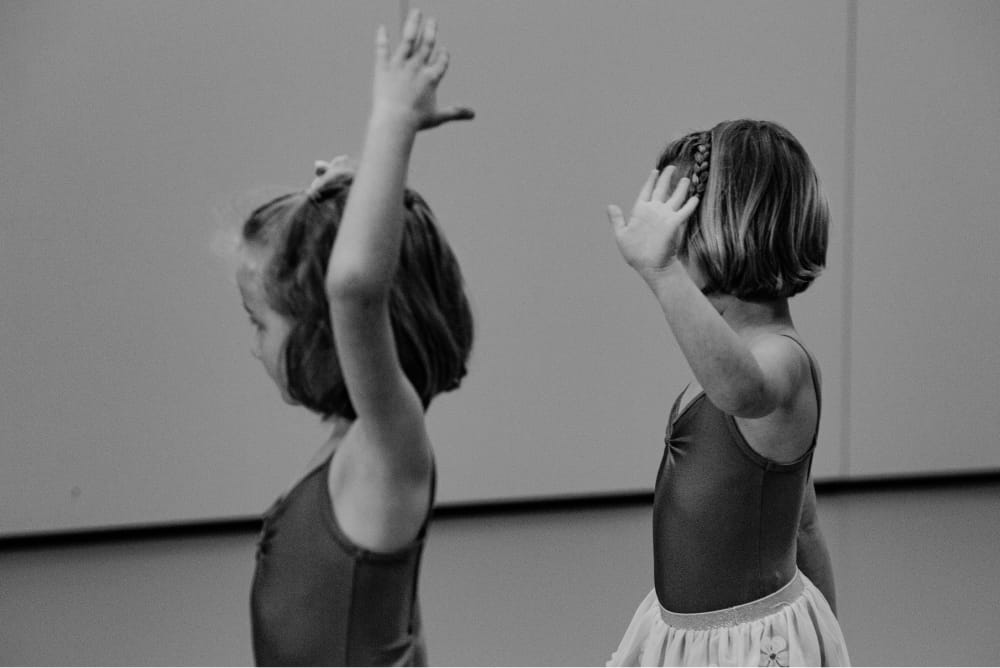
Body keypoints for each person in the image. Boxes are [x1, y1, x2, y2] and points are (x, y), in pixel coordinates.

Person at [238, 10, 474, 665]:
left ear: (327, 329)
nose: (252, 344)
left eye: (261, 322)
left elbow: (355, 288)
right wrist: (346, 206)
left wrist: (392, 125)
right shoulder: (355, 448)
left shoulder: (388, 449)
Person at [605, 120, 850, 666]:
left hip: (749, 645)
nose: (664, 240)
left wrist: (662, 271)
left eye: (675, 228)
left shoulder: (782, 360)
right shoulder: (739, 351)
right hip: (690, 633)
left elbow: (741, 390)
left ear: (725, 229)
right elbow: (802, 520)